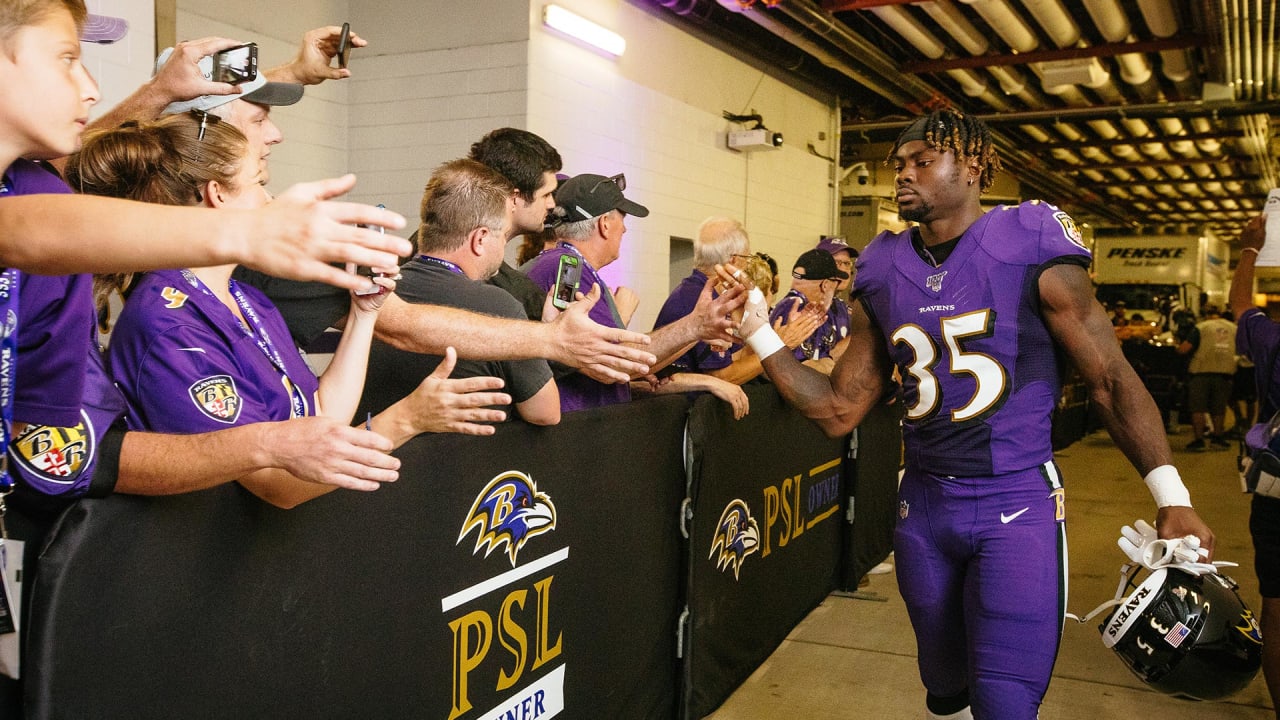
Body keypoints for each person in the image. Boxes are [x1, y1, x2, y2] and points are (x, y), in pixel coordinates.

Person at [722, 109, 1214, 720]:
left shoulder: (1028, 240)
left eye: (923, 162)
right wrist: (759, 333)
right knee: (945, 688)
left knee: (1004, 701)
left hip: (1018, 506)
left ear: (973, 170)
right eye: (899, 165)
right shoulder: (881, 264)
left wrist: (1170, 494)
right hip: (923, 507)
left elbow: (1110, 378)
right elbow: (839, 408)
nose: (904, 176)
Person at [71, 114, 511, 510]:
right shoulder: (170, 327)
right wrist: (407, 419)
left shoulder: (247, 298)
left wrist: (364, 314)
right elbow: (280, 485)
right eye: (259, 182)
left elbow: (320, 415)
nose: (269, 199)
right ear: (217, 194)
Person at [362, 159, 559, 426]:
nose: (503, 247)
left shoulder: (372, 294)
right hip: (465, 463)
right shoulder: (499, 307)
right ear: (480, 240)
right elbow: (545, 413)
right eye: (502, 237)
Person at [525, 172, 743, 411]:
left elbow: (597, 367)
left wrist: (694, 333)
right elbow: (612, 363)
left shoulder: (564, 265)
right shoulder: (567, 270)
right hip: (573, 432)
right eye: (623, 218)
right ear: (604, 224)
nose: (625, 229)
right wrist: (693, 326)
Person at [1229, 212, 1280, 717]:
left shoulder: (1274, 341)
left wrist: (1249, 249)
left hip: (1277, 495)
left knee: (1277, 603)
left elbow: (1241, 306)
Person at [468, 128, 562, 321]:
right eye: (545, 195)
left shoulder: (519, 289)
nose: (552, 204)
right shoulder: (443, 254)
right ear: (515, 198)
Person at [770, 249, 851, 373]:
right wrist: (823, 365)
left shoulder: (788, 305)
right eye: (836, 283)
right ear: (825, 285)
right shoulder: (796, 309)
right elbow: (792, 371)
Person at [1176, 305, 1237, 450]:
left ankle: (1199, 440)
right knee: (1219, 408)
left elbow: (1184, 349)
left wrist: (1176, 348)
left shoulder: (1201, 327)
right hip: (1225, 372)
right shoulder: (1234, 328)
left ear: (1204, 314)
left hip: (1201, 372)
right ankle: (1217, 438)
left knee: (1198, 408)